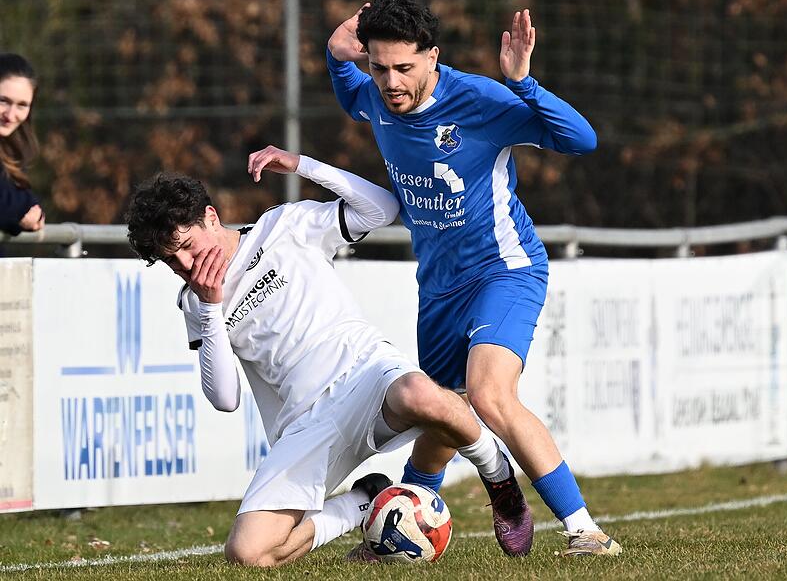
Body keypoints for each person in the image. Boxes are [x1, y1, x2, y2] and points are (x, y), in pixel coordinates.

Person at [125, 145, 527, 567]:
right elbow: (225, 399)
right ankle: (361, 501)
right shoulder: (196, 303)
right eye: (171, 261)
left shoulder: (284, 226)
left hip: (365, 374)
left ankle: (499, 479)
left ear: (210, 217)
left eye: (186, 246)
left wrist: (303, 166)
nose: (186, 264)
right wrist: (210, 306)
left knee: (422, 395)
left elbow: (382, 208)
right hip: (305, 426)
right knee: (248, 553)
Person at [327, 0, 621, 556]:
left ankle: (585, 531)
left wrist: (523, 84)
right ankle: (400, 528)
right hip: (438, 287)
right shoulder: (376, 97)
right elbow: (351, 96)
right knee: (441, 420)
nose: (391, 82)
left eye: (404, 69)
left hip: (504, 270)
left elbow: (582, 140)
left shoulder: (480, 100)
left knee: (488, 395)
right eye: (379, 67)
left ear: (433, 57)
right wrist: (338, 57)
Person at [0, 53, 44, 236]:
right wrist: (25, 208)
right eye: (3, 101)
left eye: (22, 105)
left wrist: (31, 209)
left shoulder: (12, 152)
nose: (11, 115)